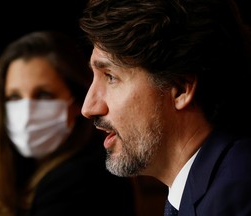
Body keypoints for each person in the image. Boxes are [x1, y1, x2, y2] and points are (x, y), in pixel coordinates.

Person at [78, 0, 251, 215]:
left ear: (180, 89)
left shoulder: (234, 197)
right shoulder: (210, 188)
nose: (88, 107)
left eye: (111, 77)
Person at [0, 31, 137, 216]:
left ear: (78, 101)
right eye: (15, 97)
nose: (26, 112)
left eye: (43, 95)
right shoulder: (34, 174)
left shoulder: (80, 181)